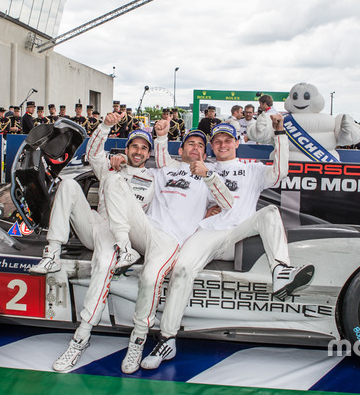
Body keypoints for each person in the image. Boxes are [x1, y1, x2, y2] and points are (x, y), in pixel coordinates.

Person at [140, 120, 313, 371]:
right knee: (182, 270)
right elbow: (172, 173)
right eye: (218, 141)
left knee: (270, 212)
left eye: (228, 140)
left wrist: (280, 134)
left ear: (237, 143)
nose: (223, 144)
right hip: (209, 232)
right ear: (211, 146)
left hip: (241, 232)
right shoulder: (201, 167)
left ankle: (282, 270)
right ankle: (167, 338)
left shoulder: (251, 168)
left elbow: (280, 172)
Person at [31, 113, 158, 372]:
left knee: (103, 267)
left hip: (120, 238)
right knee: (67, 184)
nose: (138, 151)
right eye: (134, 145)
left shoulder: (154, 179)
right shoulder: (111, 166)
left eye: (144, 148)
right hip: (95, 225)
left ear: (149, 154)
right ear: (127, 147)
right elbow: (92, 151)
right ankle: (52, 252)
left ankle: (81, 338)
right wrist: (106, 125)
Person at [104, 121, 234, 374]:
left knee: (151, 278)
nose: (195, 148)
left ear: (205, 154)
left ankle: (138, 340)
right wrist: (117, 158)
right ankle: (123, 247)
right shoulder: (163, 171)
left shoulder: (208, 176)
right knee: (114, 180)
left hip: (170, 239)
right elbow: (135, 169)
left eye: (200, 145)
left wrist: (208, 175)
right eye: (190, 144)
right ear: (182, 149)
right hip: (143, 227)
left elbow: (228, 203)